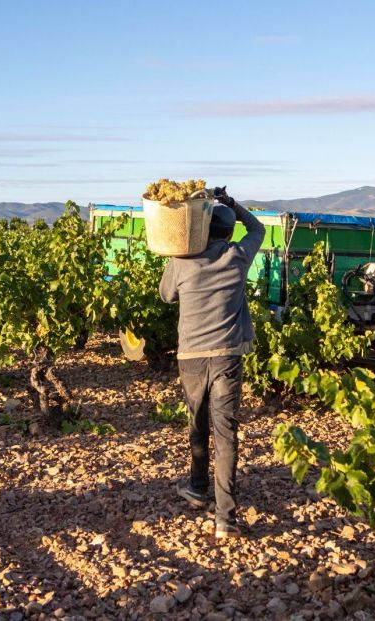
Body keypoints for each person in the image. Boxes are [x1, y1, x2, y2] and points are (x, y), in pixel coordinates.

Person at [159, 188, 265, 539]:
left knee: (197, 424)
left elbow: (166, 295)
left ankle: (197, 487)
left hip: (191, 357)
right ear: (229, 232)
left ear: (203, 229)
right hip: (227, 357)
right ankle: (225, 518)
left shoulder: (182, 260)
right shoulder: (237, 255)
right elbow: (258, 230)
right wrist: (233, 202)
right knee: (226, 433)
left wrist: (177, 250)